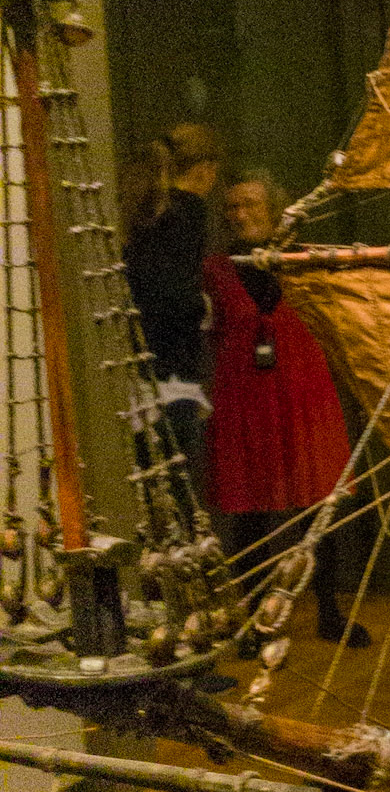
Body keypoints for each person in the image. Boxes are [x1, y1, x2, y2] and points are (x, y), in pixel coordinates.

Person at [204, 169, 368, 647]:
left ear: (275, 208)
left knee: (320, 510)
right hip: (244, 402)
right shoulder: (216, 270)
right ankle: (254, 618)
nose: (240, 214)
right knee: (248, 515)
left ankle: (330, 613)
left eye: (250, 203)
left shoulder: (305, 263)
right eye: (232, 206)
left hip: (305, 396)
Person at [121, 122, 221, 505]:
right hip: (172, 373)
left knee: (157, 493)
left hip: (145, 375)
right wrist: (203, 307)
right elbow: (176, 294)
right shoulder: (185, 212)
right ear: (203, 169)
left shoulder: (149, 210)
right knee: (181, 498)